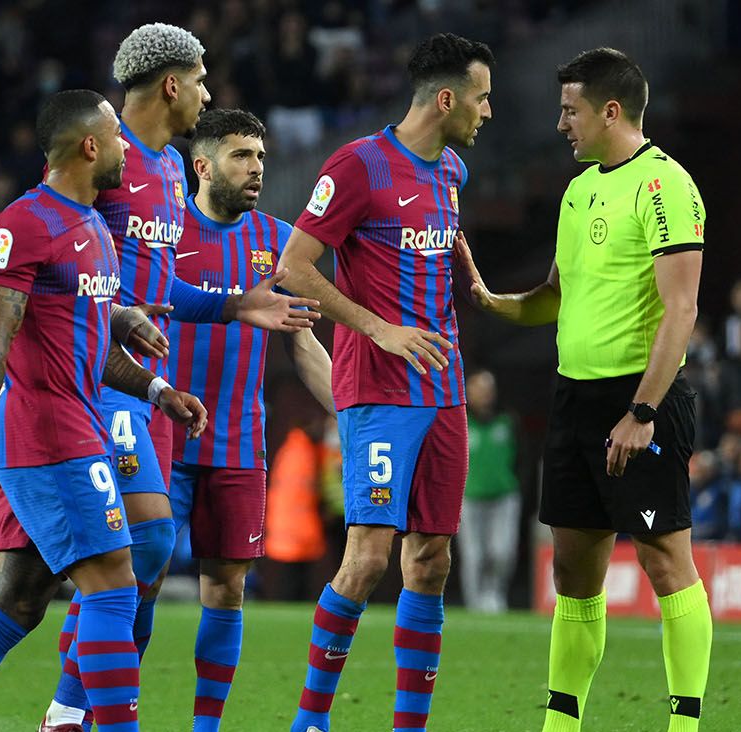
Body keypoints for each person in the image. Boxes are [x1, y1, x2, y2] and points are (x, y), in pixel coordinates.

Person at [0, 89, 201, 732]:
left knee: (17, 602)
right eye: (115, 137)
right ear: (90, 146)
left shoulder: (95, 232)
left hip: (73, 427)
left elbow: (83, 343)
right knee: (116, 580)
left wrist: (154, 391)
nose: (124, 152)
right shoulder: (24, 225)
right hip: (51, 435)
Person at [34, 25, 320, 732]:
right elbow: (47, 244)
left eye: (261, 156)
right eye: (201, 82)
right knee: (137, 557)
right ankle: (73, 708)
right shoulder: (107, 161)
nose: (209, 94)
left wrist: (233, 307)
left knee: (181, 576)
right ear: (173, 86)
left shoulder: (171, 177)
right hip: (109, 388)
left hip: (190, 413)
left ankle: (101, 714)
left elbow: (169, 299)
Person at [457, 47, 711, 731]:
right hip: (573, 399)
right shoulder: (579, 190)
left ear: (610, 110)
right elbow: (556, 297)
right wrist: (493, 300)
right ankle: (561, 723)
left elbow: (681, 309)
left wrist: (643, 412)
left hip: (639, 402)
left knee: (665, 563)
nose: (561, 123)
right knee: (572, 573)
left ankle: (684, 723)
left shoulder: (665, 186)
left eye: (569, 110)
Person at [276, 32, 493, 732]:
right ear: (447, 98)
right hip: (378, 390)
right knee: (368, 559)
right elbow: (294, 267)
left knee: (430, 560)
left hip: (445, 391)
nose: (490, 111)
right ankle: (310, 722)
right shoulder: (358, 165)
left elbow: (437, 236)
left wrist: (472, 275)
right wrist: (377, 329)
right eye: (482, 98)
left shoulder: (453, 170)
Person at [166, 108, 335, 730]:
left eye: (261, 156)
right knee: (135, 578)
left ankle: (205, 727)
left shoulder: (278, 245)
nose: (256, 168)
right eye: (241, 156)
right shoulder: (163, 233)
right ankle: (99, 710)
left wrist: (345, 412)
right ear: (202, 165)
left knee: (227, 588)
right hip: (162, 440)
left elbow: (303, 343)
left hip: (238, 444)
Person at [458, 369, 521, 613]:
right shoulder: (462, 422)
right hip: (470, 497)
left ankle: (495, 596)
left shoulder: (507, 420)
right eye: (478, 389)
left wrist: (514, 483)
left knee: (502, 551)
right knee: (474, 555)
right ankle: (474, 603)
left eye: (487, 389)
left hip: (503, 496)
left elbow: (522, 458)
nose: (483, 395)